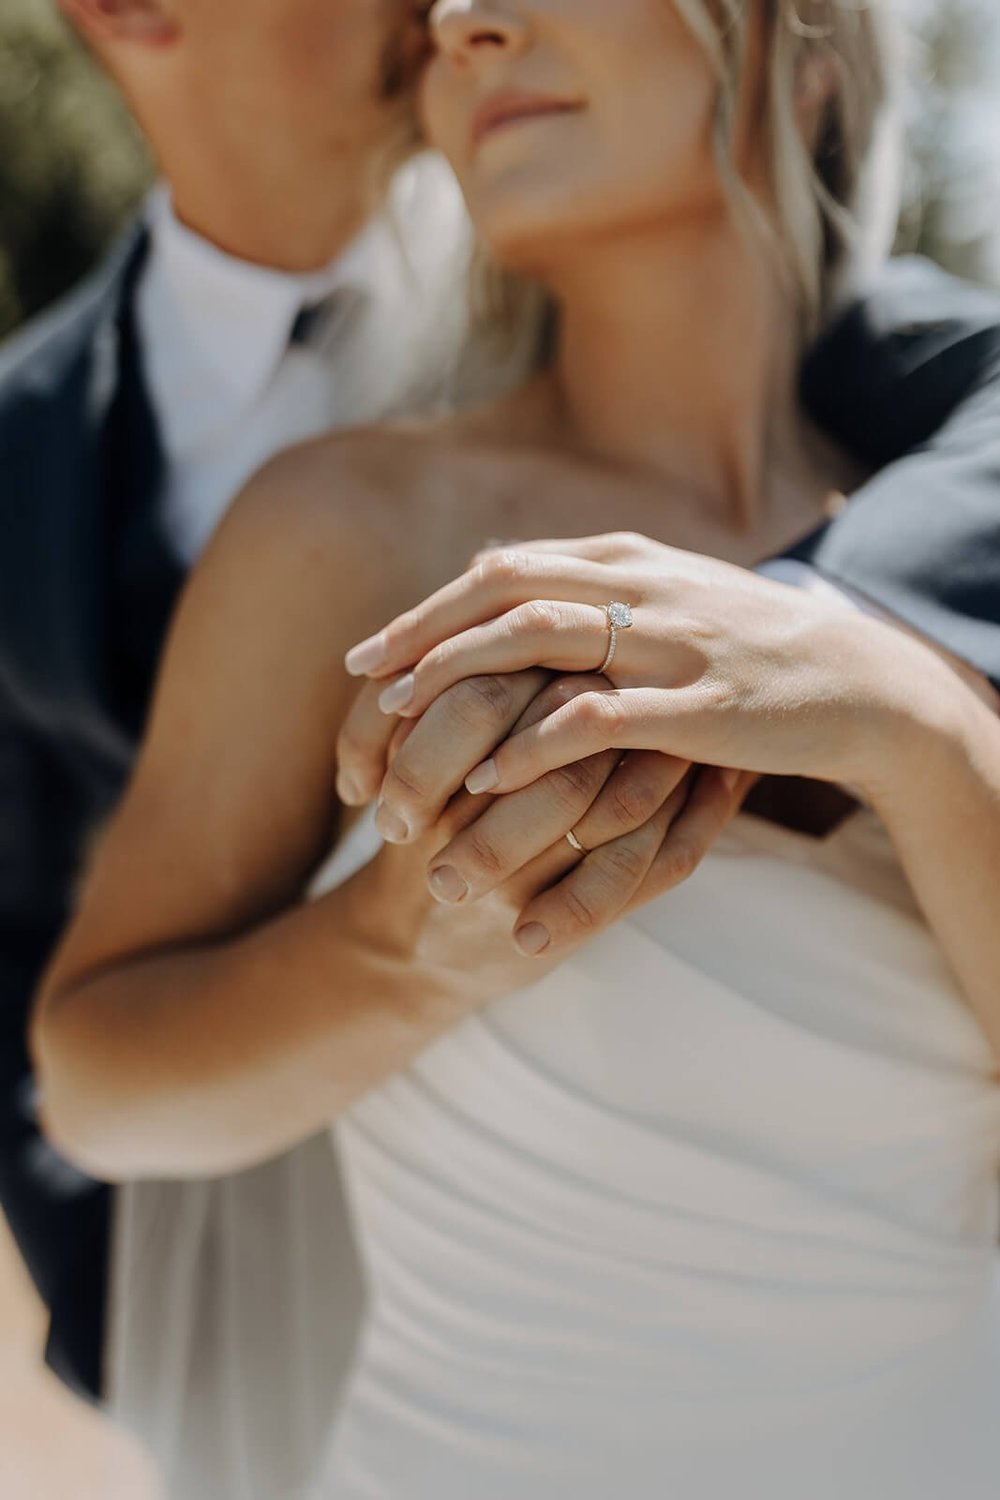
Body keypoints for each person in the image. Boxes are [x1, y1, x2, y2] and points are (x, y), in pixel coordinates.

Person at [27, 0, 1000, 1495]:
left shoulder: (955, 578)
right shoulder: (343, 532)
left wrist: (915, 722)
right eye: (447, 0)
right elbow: (96, 1085)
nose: (467, 23)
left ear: (805, 57)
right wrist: (398, 949)